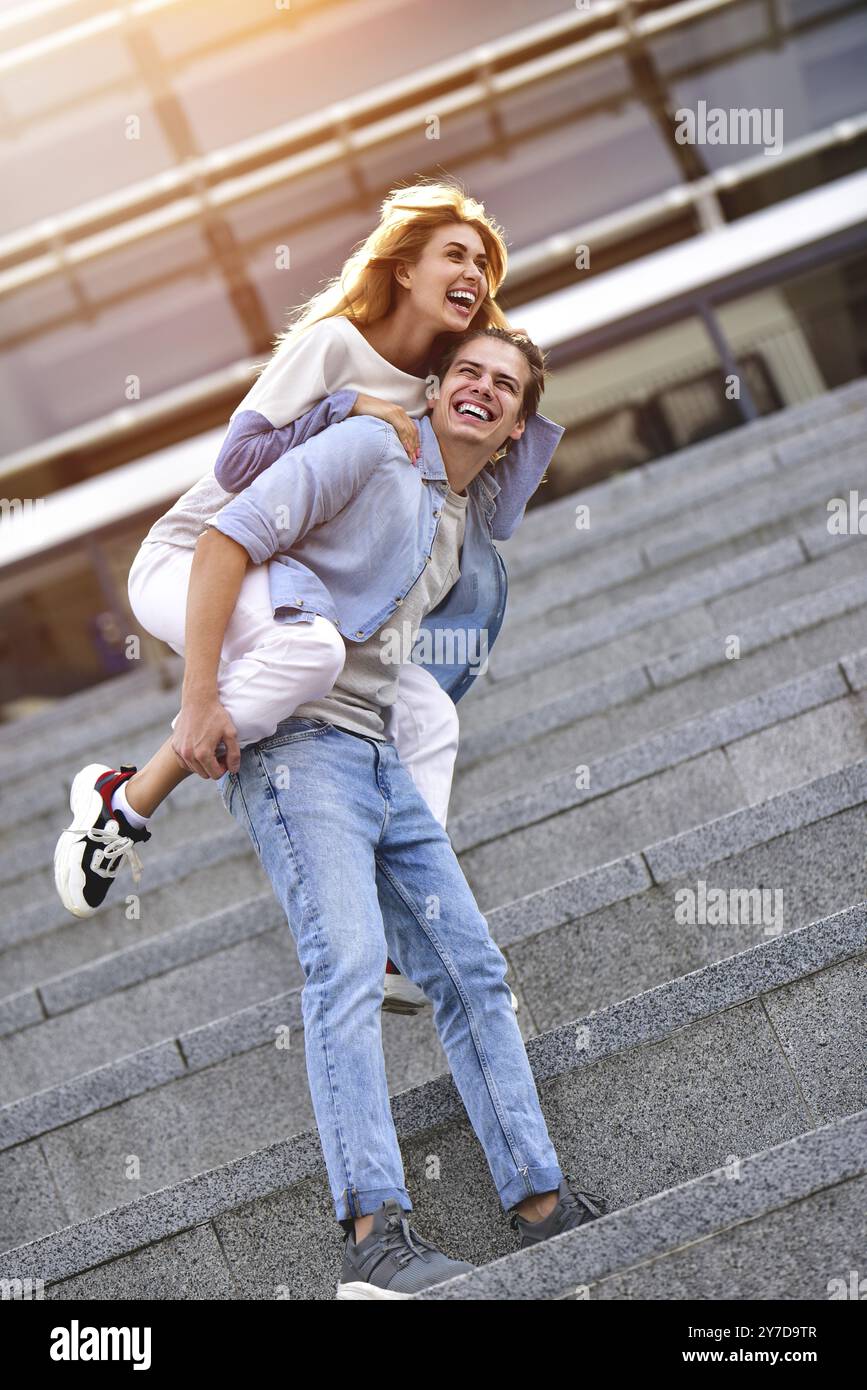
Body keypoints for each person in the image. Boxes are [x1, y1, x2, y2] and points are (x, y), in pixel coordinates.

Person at [53, 179, 562, 1015]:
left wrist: (505, 384)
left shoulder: (442, 381)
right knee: (311, 652)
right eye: (456, 255)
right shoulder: (336, 345)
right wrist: (343, 404)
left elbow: (497, 512)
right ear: (404, 268)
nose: (475, 271)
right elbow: (236, 467)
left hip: (290, 588)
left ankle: (403, 931)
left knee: (430, 714)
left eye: (486, 266)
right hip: (195, 562)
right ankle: (126, 798)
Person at [204, 326, 607, 1298]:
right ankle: (374, 1239)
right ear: (433, 389)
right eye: (465, 371)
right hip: (299, 750)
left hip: (378, 751)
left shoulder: (461, 515)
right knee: (343, 969)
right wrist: (197, 701)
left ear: (516, 427)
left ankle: (541, 1198)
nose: (480, 387)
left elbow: (507, 480)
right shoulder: (370, 446)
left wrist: (501, 420)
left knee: (472, 970)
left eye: (503, 387)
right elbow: (228, 533)